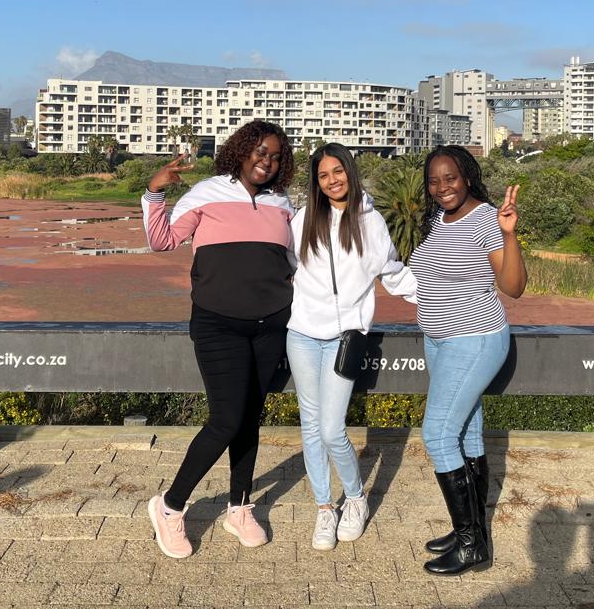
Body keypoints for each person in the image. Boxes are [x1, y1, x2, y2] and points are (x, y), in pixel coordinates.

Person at [140, 120, 296, 559]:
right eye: (260, 152)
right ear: (241, 151)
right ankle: (170, 506)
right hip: (218, 324)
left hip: (270, 325)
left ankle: (239, 507)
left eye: (276, 156)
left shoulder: (282, 203)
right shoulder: (206, 193)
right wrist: (155, 192)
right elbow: (162, 240)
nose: (267, 162)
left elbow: (293, 261)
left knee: (249, 419)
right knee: (226, 420)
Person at [287, 143, 418, 551]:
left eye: (338, 171)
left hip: (345, 339)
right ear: (316, 181)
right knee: (311, 427)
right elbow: (287, 268)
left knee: (331, 428)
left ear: (350, 171)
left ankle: (356, 498)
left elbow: (393, 274)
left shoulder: (370, 221)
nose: (332, 181)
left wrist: (439, 298)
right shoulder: (303, 219)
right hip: (302, 335)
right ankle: (324, 507)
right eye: (324, 175)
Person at [409, 144, 526, 575]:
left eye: (451, 178)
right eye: (434, 181)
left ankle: (470, 543)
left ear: (468, 177)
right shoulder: (437, 220)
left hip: (474, 338)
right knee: (468, 435)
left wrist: (509, 234)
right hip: (439, 340)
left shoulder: (486, 220)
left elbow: (513, 287)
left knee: (438, 435)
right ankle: (473, 532)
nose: (442, 188)